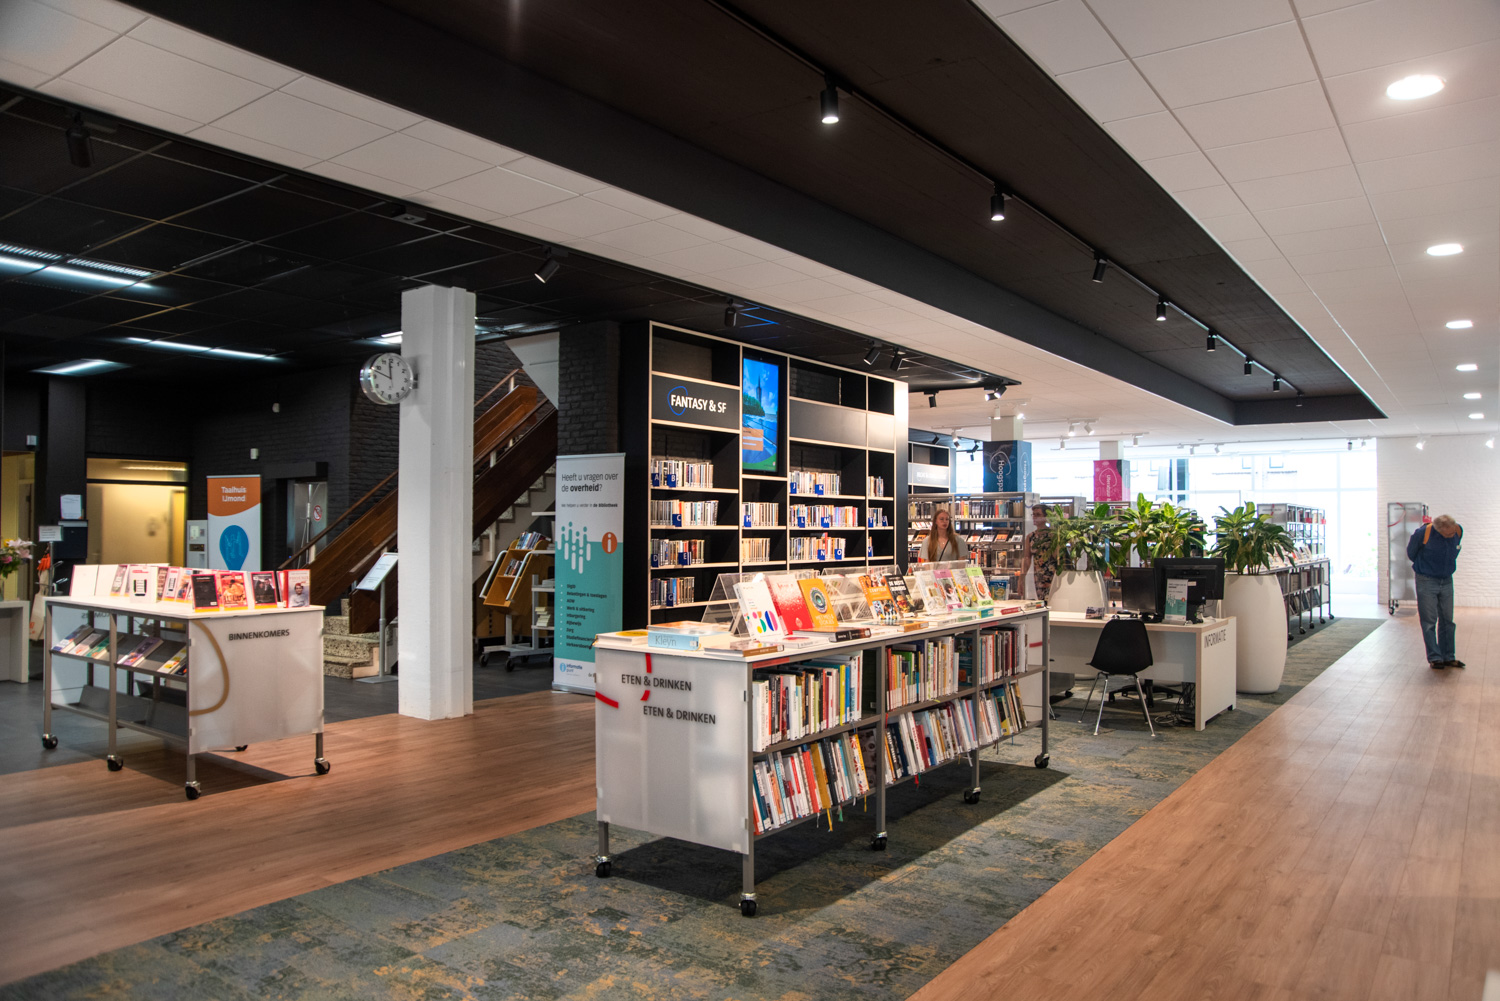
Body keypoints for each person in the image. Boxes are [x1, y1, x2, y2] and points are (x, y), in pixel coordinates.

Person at [1407, 514, 1463, 668]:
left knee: (1448, 620)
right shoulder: (1422, 533)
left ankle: (1448, 656)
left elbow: (1455, 549)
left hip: (1447, 579)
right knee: (1429, 621)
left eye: (1452, 533)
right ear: (1439, 530)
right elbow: (1411, 553)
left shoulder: (1458, 530)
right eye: (1447, 534)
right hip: (1426, 580)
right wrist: (1427, 566)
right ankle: (1435, 657)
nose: (1451, 536)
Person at [1021, 503, 1060, 602]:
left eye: (1038, 514)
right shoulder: (1031, 537)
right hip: (1038, 577)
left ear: (1046, 517)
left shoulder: (1053, 535)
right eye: (1033, 514)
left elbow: (1058, 556)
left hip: (1053, 575)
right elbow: (1027, 558)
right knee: (1042, 600)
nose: (1035, 517)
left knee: (1053, 601)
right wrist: (1021, 577)